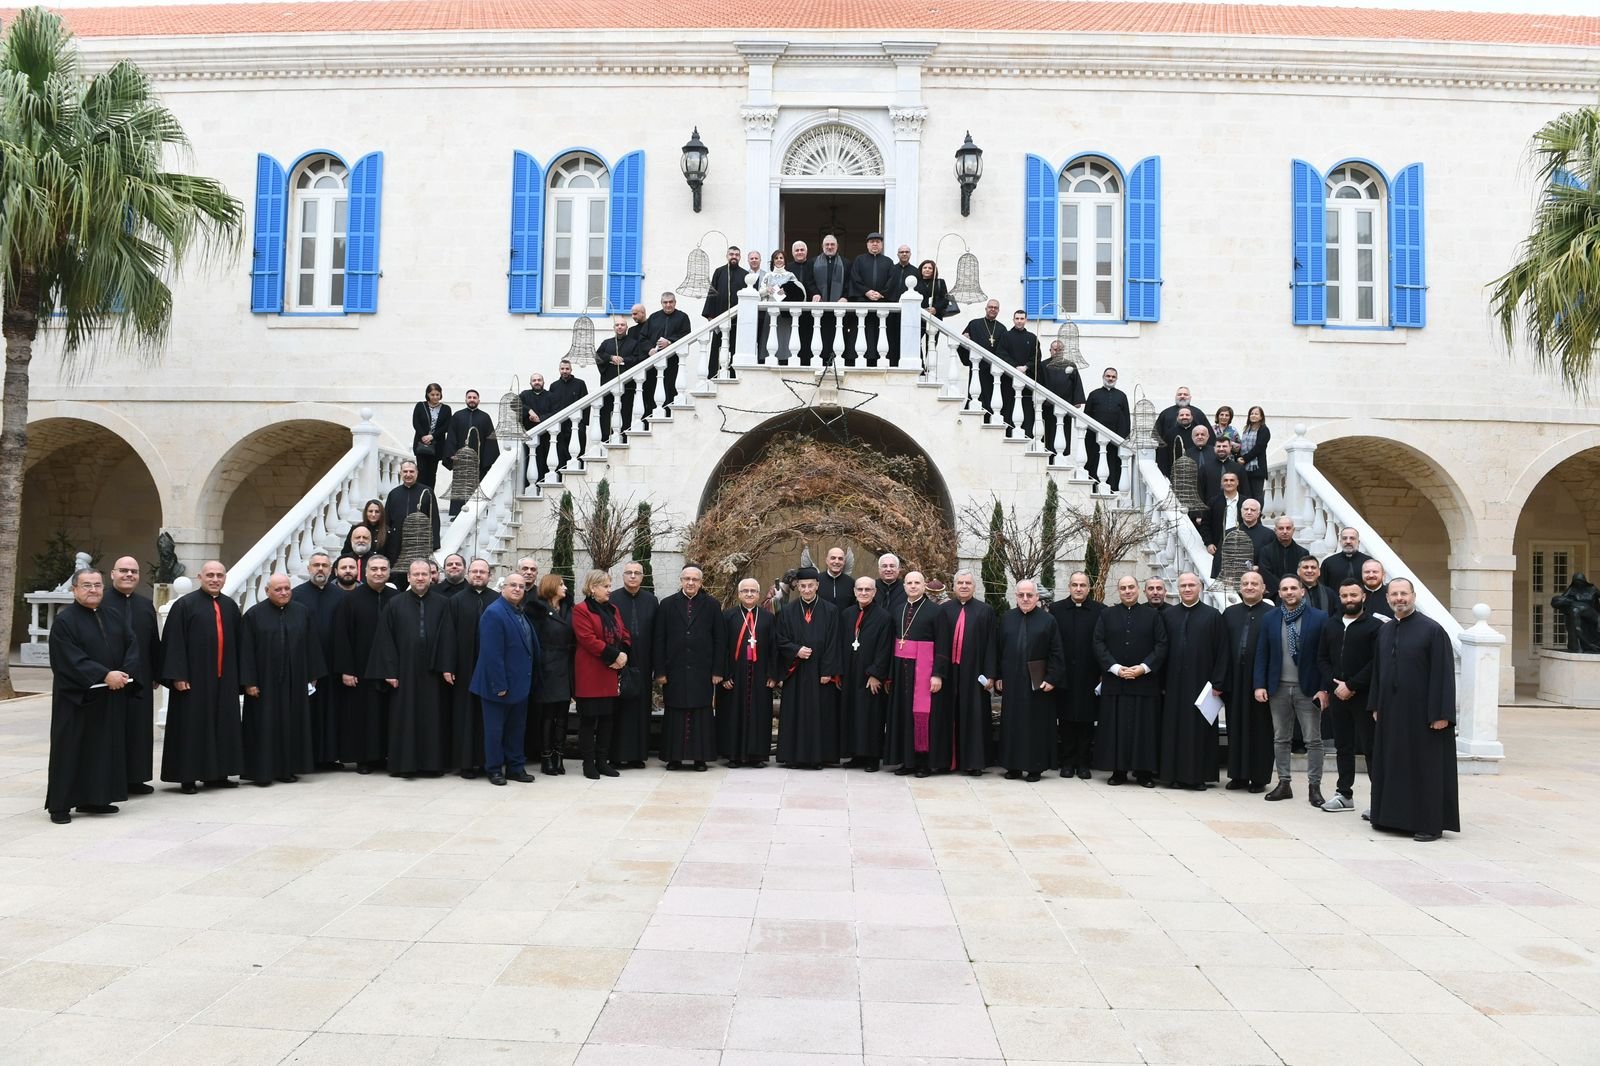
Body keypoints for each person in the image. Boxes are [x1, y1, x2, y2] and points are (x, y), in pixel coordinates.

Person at [1368, 579, 1460, 842]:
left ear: (1413, 596)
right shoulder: (1385, 631)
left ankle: (1429, 824)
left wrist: (1441, 714)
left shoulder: (1432, 630)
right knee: (1393, 764)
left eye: (1404, 594)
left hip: (1424, 715)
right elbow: (1378, 671)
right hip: (1391, 712)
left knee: (1425, 768)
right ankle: (1391, 818)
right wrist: (1375, 704)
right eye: (1394, 594)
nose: (1399, 598)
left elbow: (1443, 674)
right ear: (1387, 598)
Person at [46, 570, 137, 823]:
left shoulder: (113, 615)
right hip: (76, 699)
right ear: (74, 589)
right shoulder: (65, 621)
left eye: (97, 585)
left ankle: (95, 799)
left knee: (101, 750)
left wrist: (125, 673)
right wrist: (103, 674)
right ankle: (60, 806)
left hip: (109, 696)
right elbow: (69, 658)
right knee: (70, 750)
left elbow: (132, 645)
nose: (93, 590)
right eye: (87, 585)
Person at [160, 561, 243, 794]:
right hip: (194, 680)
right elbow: (173, 642)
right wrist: (178, 675)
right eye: (210, 575)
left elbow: (239, 643)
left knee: (222, 726)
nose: (215, 579)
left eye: (219, 575)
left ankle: (218, 775)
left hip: (224, 679)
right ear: (200, 577)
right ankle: (188, 777)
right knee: (192, 728)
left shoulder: (230, 606)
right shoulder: (185, 605)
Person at [369, 559, 456, 778]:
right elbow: (385, 639)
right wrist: (389, 671)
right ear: (408, 577)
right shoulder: (395, 604)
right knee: (404, 717)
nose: (420, 578)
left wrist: (446, 666)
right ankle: (404, 765)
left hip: (433, 671)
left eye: (424, 574)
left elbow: (448, 636)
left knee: (433, 717)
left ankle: (432, 765)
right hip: (404, 671)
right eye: (415, 574)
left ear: (431, 577)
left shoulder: (443, 603)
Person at [239, 573, 324, 786]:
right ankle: (262, 772)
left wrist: (312, 675)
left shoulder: (302, 612)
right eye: (278, 589)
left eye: (287, 588)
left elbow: (312, 645)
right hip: (264, 684)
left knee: (291, 726)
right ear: (267, 591)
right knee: (264, 727)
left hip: (295, 682)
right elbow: (246, 651)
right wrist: (249, 682)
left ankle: (287, 770)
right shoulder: (254, 615)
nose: (284, 592)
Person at [1253, 575, 1330, 806]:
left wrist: (1324, 688)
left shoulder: (1319, 618)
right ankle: (1284, 783)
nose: (1289, 592)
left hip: (1308, 689)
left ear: (1302, 591)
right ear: (1279, 593)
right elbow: (1262, 653)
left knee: (1313, 740)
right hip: (1278, 687)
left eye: (1293, 588)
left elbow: (1326, 656)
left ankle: (1314, 787)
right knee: (1281, 738)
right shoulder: (1270, 618)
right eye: (1285, 589)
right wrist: (1259, 684)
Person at [1092, 575, 1168, 787]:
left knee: (1144, 730)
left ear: (1138, 590)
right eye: (1123, 588)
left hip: (1144, 683)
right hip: (1115, 682)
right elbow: (1098, 643)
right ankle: (1118, 771)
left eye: (1131, 587)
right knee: (1115, 729)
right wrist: (1115, 668)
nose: (1127, 591)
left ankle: (1144, 773)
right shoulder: (1106, 615)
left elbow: (1162, 645)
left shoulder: (1153, 616)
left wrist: (1143, 668)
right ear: (1119, 591)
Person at [1156, 573, 1227, 790]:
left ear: (1200, 587)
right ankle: (1172, 776)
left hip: (1202, 684)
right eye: (1183, 586)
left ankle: (1197, 777)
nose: (1187, 589)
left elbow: (1222, 651)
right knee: (1173, 729)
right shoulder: (1168, 615)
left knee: (1199, 731)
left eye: (1191, 585)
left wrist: (1218, 682)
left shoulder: (1213, 616)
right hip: (1173, 684)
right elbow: (1160, 650)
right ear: (1177, 589)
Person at [1317, 579, 1382, 813]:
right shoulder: (1330, 625)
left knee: (1371, 748)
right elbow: (1322, 658)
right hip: (1338, 695)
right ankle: (1344, 794)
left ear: (1363, 596)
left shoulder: (1375, 627)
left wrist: (1352, 685)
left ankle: (1379, 801)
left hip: (1364, 696)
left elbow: (1376, 662)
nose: (1349, 600)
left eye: (1353, 595)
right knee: (1343, 746)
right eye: (1344, 596)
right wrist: (1334, 685)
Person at [471, 571, 539, 786]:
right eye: (513, 585)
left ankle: (515, 768)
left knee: (516, 730)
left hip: (519, 684)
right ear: (503, 588)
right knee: (495, 731)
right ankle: (494, 770)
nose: (517, 589)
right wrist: (499, 685)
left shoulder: (519, 612)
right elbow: (492, 654)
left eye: (521, 586)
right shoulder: (494, 613)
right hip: (498, 686)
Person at [332, 555, 397, 773]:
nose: (379, 573)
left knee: (386, 714)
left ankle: (384, 756)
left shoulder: (396, 598)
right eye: (374, 569)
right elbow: (342, 636)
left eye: (383, 569)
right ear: (365, 572)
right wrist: (346, 670)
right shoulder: (350, 600)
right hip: (360, 668)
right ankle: (364, 759)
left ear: (389, 572)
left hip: (389, 669)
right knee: (362, 716)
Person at [995, 580, 1064, 782]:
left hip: (1037, 682)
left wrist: (1052, 678)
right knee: (1012, 724)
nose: (1025, 599)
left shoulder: (1048, 620)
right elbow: (998, 650)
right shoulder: (1006, 619)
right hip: (1012, 680)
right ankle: (1013, 766)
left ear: (1037, 597)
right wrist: (998, 676)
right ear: (1016, 596)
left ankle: (1035, 767)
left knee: (1035, 725)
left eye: (1029, 595)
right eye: (1021, 595)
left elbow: (1056, 652)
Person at [102, 556, 161, 795]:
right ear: (112, 574)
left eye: (134, 571)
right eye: (124, 570)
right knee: (111, 730)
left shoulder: (145, 605)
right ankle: (111, 780)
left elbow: (153, 642)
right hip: (109, 678)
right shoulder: (101, 602)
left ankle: (136, 778)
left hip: (141, 677)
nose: (129, 575)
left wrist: (156, 673)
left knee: (138, 729)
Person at [652, 565, 720, 770]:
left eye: (695, 579)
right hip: (675, 669)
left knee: (701, 712)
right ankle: (674, 758)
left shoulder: (712, 605)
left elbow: (720, 640)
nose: (691, 583)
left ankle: (700, 758)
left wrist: (717, 671)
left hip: (702, 670)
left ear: (701, 582)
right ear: (681, 580)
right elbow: (659, 639)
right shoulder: (667, 604)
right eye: (687, 579)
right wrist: (660, 671)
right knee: (675, 712)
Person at [775, 566, 841, 769]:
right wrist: (796, 650)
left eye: (810, 586)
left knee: (819, 714)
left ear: (817, 585)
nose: (806, 590)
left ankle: (818, 757)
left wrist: (827, 671)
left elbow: (834, 642)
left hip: (819, 672)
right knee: (794, 713)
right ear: (798, 586)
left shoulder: (831, 610)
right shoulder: (787, 611)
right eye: (803, 586)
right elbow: (780, 639)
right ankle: (793, 757)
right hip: (796, 671)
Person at [935, 569, 997, 776]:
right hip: (949, 672)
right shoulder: (944, 610)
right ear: (953, 586)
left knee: (974, 715)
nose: (963, 586)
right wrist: (937, 672)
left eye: (967, 583)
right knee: (946, 714)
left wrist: (990, 674)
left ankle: (973, 762)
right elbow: (939, 643)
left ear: (974, 587)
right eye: (960, 583)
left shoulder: (985, 610)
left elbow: (991, 644)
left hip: (974, 672)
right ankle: (946, 761)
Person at [884, 571, 946, 778]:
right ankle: (907, 761)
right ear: (904, 587)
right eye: (909, 583)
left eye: (917, 583)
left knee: (922, 716)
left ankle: (923, 763)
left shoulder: (936, 611)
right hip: (901, 670)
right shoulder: (898, 609)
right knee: (902, 714)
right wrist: (889, 674)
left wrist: (937, 674)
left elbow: (943, 644)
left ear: (923, 585)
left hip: (924, 670)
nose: (912, 586)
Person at [571, 569, 631, 779]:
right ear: (592, 587)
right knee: (589, 720)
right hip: (590, 672)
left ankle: (602, 761)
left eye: (609, 585)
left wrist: (623, 652)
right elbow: (587, 639)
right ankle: (588, 764)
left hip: (610, 672)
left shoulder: (613, 609)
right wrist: (615, 656)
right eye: (605, 586)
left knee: (607, 719)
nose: (609, 590)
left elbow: (623, 633)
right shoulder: (581, 610)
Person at [715, 577, 779, 767]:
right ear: (739, 594)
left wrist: (773, 674)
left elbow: (774, 647)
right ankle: (733, 755)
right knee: (732, 714)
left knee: (759, 714)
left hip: (760, 675)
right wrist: (725, 674)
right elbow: (721, 647)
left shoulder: (768, 618)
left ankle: (757, 755)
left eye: (753, 591)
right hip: (734, 675)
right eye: (745, 591)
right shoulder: (728, 616)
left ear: (759, 594)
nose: (749, 594)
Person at [289, 553, 344, 770]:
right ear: (308, 568)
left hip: (333, 663)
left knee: (331, 712)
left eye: (324, 565)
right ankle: (305, 758)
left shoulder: (340, 596)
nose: (320, 569)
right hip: (305, 664)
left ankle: (328, 757)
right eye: (316, 565)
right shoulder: (296, 595)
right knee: (307, 711)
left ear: (331, 570)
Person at [1223, 571, 1276, 792]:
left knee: (1260, 729)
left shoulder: (1272, 614)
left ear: (1263, 588)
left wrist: (1266, 682)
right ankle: (1238, 776)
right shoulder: (1229, 613)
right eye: (1245, 583)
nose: (1249, 587)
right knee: (1235, 726)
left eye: (1255, 583)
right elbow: (1222, 648)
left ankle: (1259, 777)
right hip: (1235, 679)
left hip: (1260, 681)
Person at [445, 559, 498, 778]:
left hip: (491, 669)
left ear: (489, 575)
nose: (478, 575)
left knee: (488, 716)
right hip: (463, 668)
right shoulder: (456, 601)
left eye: (482, 572)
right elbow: (447, 635)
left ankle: (488, 762)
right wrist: (447, 666)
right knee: (464, 715)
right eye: (474, 571)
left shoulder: (497, 600)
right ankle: (465, 763)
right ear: (468, 574)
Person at [1049, 571, 1103, 780]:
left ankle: (1084, 763)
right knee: (1066, 719)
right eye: (1075, 585)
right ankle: (1067, 762)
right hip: (1064, 675)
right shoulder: (1056, 610)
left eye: (1082, 585)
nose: (1078, 588)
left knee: (1087, 720)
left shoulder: (1100, 611)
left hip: (1089, 674)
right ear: (1069, 587)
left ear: (1089, 588)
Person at [837, 576, 892, 772]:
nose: (863, 593)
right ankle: (856, 755)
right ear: (854, 592)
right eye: (860, 589)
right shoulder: (847, 614)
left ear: (874, 592)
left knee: (870, 716)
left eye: (868, 589)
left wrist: (876, 674)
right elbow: (839, 643)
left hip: (869, 676)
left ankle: (872, 757)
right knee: (852, 714)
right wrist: (839, 672)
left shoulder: (884, 617)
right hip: (850, 673)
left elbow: (885, 648)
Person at [611, 561, 657, 769]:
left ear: (642, 577)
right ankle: (616, 755)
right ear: (623, 576)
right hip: (619, 661)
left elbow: (657, 633)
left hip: (644, 661)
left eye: (637, 573)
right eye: (629, 572)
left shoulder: (651, 600)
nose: (632, 576)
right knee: (619, 708)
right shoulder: (613, 598)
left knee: (641, 707)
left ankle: (638, 755)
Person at [528, 572, 574, 776]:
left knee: (562, 715)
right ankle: (546, 757)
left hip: (566, 666)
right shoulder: (537, 609)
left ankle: (559, 756)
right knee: (548, 715)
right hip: (546, 667)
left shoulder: (568, 609)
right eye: (561, 584)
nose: (565, 588)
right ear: (551, 587)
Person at [442, 389, 497, 517]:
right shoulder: (457, 416)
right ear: (465, 399)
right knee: (460, 487)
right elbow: (451, 436)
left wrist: (487, 460)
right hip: (460, 462)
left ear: (478, 400)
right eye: (469, 397)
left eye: (474, 397)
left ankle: (479, 513)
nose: (472, 400)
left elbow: (491, 439)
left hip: (479, 462)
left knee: (479, 486)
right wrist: (451, 455)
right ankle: (458, 515)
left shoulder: (485, 417)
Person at [847, 231, 897, 365]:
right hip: (862, 302)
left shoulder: (888, 262)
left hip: (881, 303)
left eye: (878, 242)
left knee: (879, 332)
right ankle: (856, 359)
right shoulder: (859, 260)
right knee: (861, 330)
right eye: (872, 242)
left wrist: (881, 294)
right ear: (867, 245)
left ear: (882, 245)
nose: (875, 244)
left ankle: (878, 359)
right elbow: (855, 278)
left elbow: (892, 281)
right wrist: (867, 292)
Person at [596, 314, 643, 443]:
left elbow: (638, 359)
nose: (620, 327)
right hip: (608, 383)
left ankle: (624, 438)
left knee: (626, 411)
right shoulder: (607, 343)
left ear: (627, 327)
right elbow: (598, 356)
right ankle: (605, 438)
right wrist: (611, 357)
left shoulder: (634, 343)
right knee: (606, 411)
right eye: (617, 325)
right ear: (614, 328)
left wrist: (623, 360)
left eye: (622, 325)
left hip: (627, 385)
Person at [703, 245, 749, 380]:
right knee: (717, 349)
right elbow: (712, 292)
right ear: (727, 256)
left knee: (735, 350)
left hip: (738, 321)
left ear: (740, 257)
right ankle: (713, 377)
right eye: (731, 254)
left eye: (737, 255)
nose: (734, 257)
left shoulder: (745, 275)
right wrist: (710, 315)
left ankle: (734, 377)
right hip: (720, 318)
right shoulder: (719, 272)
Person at [644, 291, 692, 418]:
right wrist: (649, 349)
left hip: (673, 362)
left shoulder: (682, 317)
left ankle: (670, 416)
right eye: (665, 302)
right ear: (661, 303)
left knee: (671, 390)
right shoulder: (653, 317)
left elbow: (686, 335)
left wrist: (670, 342)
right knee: (652, 391)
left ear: (675, 303)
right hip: (654, 362)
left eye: (671, 302)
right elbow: (643, 337)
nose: (668, 305)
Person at [1082, 367, 1130, 493]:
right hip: (1095, 439)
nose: (1110, 379)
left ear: (1116, 379)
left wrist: (1124, 438)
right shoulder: (1094, 394)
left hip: (1115, 439)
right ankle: (1094, 489)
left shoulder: (1122, 396)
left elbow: (1126, 418)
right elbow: (1086, 417)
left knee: (1113, 464)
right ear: (1103, 377)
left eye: (1113, 377)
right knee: (1094, 462)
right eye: (1108, 376)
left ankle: (1112, 489)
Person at [1037, 340, 1086, 459]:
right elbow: (1039, 383)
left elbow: (1076, 383)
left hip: (1065, 406)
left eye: (1060, 350)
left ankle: (1062, 457)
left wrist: (1077, 401)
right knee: (1048, 434)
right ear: (1050, 350)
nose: (1057, 352)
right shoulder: (1043, 365)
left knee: (1063, 433)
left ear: (1063, 351)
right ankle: (1048, 457)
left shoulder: (1070, 365)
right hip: (1048, 407)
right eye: (1055, 349)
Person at [998, 310, 1042, 439]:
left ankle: (1027, 436)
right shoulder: (1006, 336)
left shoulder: (1032, 338)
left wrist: (1026, 367)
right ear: (1013, 320)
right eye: (1017, 318)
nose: (1019, 321)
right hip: (1008, 380)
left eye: (1022, 318)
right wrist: (1014, 367)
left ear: (1026, 320)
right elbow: (1001, 353)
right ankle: (1008, 434)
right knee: (1008, 407)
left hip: (1027, 380)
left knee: (1026, 408)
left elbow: (1037, 357)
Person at [383, 461, 439, 561]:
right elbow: (386, 520)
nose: (408, 474)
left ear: (417, 473)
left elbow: (434, 519)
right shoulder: (393, 494)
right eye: (405, 471)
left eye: (411, 471)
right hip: (397, 542)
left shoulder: (427, 492)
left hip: (419, 541)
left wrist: (434, 544)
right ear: (400, 473)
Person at [808, 234, 849, 364]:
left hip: (839, 307)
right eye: (827, 244)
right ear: (822, 246)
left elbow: (849, 283)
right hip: (820, 307)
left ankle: (836, 361)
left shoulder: (846, 263)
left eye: (832, 244)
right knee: (820, 334)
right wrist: (815, 293)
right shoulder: (813, 262)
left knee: (838, 334)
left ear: (837, 246)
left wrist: (845, 296)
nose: (830, 247)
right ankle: (822, 360)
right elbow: (809, 281)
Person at [960, 299, 1003, 420]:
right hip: (977, 369)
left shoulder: (1002, 329)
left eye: (995, 308)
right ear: (986, 309)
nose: (992, 309)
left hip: (992, 372)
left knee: (991, 398)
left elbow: (1004, 351)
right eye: (990, 307)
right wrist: (964, 339)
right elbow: (962, 343)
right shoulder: (974, 324)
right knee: (975, 395)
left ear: (998, 311)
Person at [547, 359, 590, 473]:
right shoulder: (554, 386)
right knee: (561, 453)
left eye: (567, 369)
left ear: (571, 370)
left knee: (578, 452)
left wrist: (584, 423)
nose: (565, 371)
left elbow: (586, 404)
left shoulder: (580, 384)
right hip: (560, 426)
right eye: (562, 369)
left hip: (577, 425)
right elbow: (550, 406)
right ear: (559, 370)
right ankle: (561, 476)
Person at [765, 249, 805, 363]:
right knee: (771, 335)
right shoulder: (768, 275)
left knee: (785, 336)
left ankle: (785, 359)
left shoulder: (790, 275)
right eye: (776, 258)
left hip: (785, 312)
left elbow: (798, 291)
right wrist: (766, 290)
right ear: (773, 261)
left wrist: (786, 290)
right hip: (771, 311)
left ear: (785, 260)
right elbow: (759, 292)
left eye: (781, 258)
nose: (779, 260)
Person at [519, 372, 558, 488]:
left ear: (543, 382)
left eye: (539, 380)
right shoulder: (525, 395)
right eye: (534, 380)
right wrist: (529, 410)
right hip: (529, 435)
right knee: (529, 462)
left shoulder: (550, 396)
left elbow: (555, 412)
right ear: (530, 383)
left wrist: (540, 419)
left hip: (546, 436)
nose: (537, 382)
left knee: (544, 463)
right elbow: (514, 404)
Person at [1203, 472, 1247, 578]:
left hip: (1241, 544)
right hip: (1219, 545)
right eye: (1226, 480)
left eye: (1232, 480)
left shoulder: (1246, 502)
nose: (1229, 483)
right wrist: (1209, 543)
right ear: (1222, 483)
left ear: (1237, 482)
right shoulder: (1213, 502)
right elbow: (1205, 524)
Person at [411, 382, 451, 492]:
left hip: (436, 445)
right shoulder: (420, 406)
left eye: (437, 394)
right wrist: (424, 436)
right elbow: (416, 422)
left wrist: (432, 436)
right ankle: (419, 495)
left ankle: (429, 495)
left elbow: (447, 426)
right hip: (421, 444)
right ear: (428, 394)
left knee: (432, 473)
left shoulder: (446, 409)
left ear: (441, 394)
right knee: (421, 471)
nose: (435, 397)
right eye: (432, 394)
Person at [1256, 516, 1309, 594]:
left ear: (1293, 530)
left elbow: (1303, 575)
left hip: (1295, 594)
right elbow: (1266, 574)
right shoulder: (1265, 551)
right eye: (1281, 528)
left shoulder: (1303, 553)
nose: (1285, 531)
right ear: (1275, 530)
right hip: (1273, 595)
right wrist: (1283, 589)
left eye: (1288, 528)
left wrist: (1292, 589)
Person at [914, 258, 951, 371]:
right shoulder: (916, 283)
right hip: (919, 318)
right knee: (916, 342)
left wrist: (935, 308)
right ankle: (920, 367)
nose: (927, 270)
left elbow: (945, 299)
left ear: (934, 270)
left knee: (931, 344)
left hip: (935, 317)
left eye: (930, 268)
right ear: (921, 270)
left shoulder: (940, 282)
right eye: (925, 267)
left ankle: (929, 369)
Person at [788, 241, 816, 363]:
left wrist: (816, 294)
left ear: (806, 252)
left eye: (802, 250)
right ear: (793, 253)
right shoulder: (788, 268)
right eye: (797, 250)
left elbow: (816, 283)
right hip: (792, 310)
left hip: (810, 310)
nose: (799, 252)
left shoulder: (813, 265)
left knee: (809, 337)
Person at [1321, 527, 1373, 593]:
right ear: (1340, 542)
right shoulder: (1328, 563)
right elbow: (1322, 589)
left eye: (1352, 538)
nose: (1348, 541)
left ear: (1358, 542)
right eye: (1344, 538)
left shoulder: (1369, 562)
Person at [1196, 438, 1247, 506]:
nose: (1221, 449)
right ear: (1214, 448)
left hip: (1234, 507)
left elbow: (1245, 490)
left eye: (1224, 446)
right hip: (1210, 508)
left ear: (1230, 448)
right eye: (1218, 446)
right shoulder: (1204, 468)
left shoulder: (1239, 468)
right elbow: (1200, 491)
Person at [1237, 406, 1271, 506]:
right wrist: (1239, 457)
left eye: (1256, 414)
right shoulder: (1246, 429)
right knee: (1246, 494)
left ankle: (1258, 514)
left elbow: (1259, 448)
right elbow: (1243, 446)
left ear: (1261, 417)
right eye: (1251, 413)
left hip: (1257, 468)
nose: (1253, 415)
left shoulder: (1264, 430)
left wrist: (1245, 459)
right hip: (1245, 468)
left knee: (1257, 495)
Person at [817, 547, 854, 611]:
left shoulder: (851, 583)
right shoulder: (816, 580)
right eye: (833, 558)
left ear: (844, 562)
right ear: (827, 561)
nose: (837, 561)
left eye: (840, 559)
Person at [876, 553, 906, 617]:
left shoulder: (906, 588)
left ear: (898, 569)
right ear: (879, 569)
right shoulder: (871, 587)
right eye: (884, 566)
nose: (888, 569)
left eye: (892, 566)